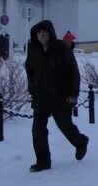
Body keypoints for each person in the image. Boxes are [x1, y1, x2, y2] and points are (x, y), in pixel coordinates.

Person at [24, 20, 88, 173]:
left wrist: (73, 94)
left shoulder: (62, 48)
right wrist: (32, 90)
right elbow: (30, 71)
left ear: (50, 33)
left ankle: (80, 142)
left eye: (44, 32)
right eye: (39, 33)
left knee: (65, 126)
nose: (42, 35)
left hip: (60, 96)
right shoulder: (34, 50)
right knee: (37, 130)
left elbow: (73, 71)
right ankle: (43, 161)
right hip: (41, 96)